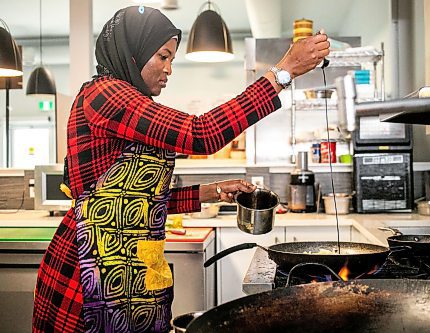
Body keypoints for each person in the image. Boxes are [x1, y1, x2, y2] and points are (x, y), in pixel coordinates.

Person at [32, 5, 329, 332]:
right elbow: (202, 134)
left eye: (171, 58)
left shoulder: (132, 102)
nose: (169, 68)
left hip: (130, 267)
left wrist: (211, 193)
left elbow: (134, 201)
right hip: (91, 272)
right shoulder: (106, 93)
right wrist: (283, 72)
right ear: (133, 52)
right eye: (162, 56)